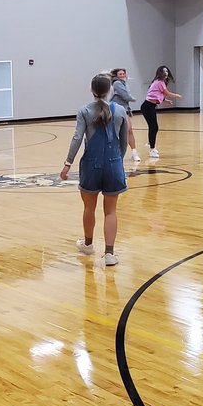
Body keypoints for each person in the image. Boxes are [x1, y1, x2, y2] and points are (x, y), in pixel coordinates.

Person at [59, 72, 128, 266]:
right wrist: (116, 161)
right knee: (111, 211)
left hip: (90, 165)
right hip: (114, 163)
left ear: (91, 90)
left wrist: (67, 163)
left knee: (89, 207)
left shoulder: (84, 111)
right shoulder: (121, 111)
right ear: (110, 90)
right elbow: (123, 142)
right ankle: (109, 254)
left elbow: (77, 138)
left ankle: (88, 244)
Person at [139, 65, 181, 159]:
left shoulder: (158, 82)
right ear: (160, 73)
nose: (166, 73)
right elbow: (166, 92)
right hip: (147, 106)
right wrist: (176, 96)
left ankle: (151, 143)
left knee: (153, 127)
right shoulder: (159, 82)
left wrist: (165, 100)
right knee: (154, 127)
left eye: (166, 71)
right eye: (164, 71)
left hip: (151, 106)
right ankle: (152, 149)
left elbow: (157, 93)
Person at [109, 68, 141, 164]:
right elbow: (126, 96)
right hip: (117, 110)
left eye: (124, 73)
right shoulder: (117, 84)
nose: (123, 75)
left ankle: (134, 152)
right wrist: (133, 99)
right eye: (120, 74)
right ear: (116, 76)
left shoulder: (124, 83)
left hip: (125, 109)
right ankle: (118, 153)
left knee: (129, 130)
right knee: (123, 131)